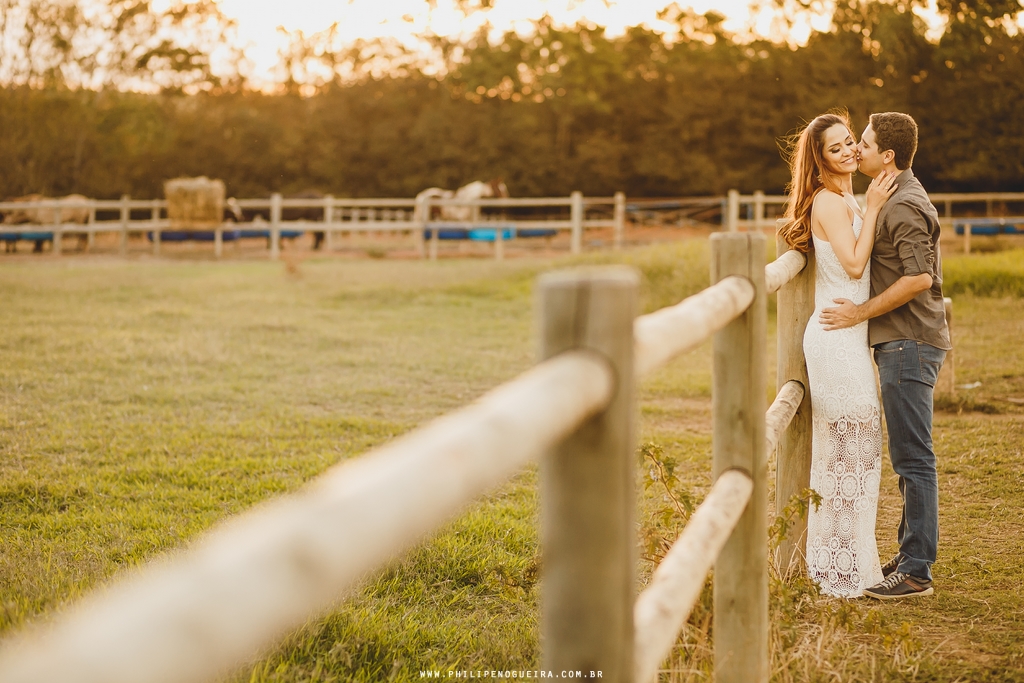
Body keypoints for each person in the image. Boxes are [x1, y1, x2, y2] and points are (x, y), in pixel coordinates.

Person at [820, 112, 951, 600]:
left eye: (866, 144)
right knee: (907, 455)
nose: (859, 151)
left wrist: (859, 313)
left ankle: (917, 570)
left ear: (887, 156)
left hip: (909, 341)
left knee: (914, 458)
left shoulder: (903, 205)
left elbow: (919, 278)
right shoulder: (894, 195)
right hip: (904, 340)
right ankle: (910, 550)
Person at [779, 111, 898, 598]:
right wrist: (871, 209)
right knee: (848, 449)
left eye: (851, 142)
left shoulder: (844, 196)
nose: (850, 150)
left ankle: (852, 566)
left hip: (850, 336)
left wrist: (864, 205)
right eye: (837, 147)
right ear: (819, 159)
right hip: (832, 339)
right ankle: (836, 574)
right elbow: (852, 267)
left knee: (859, 453)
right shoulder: (829, 201)